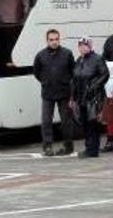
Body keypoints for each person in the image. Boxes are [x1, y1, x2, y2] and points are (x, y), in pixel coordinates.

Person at [33, 29, 75, 157]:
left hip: (64, 92)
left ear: (59, 39)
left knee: (66, 121)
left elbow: (73, 71)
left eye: (56, 39)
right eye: (51, 40)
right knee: (46, 121)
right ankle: (47, 146)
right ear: (47, 41)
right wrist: (45, 81)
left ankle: (68, 146)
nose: (54, 42)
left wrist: (67, 85)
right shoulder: (40, 55)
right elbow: (37, 72)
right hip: (48, 92)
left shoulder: (67, 54)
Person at [71, 36, 109, 158]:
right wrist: (73, 97)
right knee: (84, 123)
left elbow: (105, 74)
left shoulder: (97, 59)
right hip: (81, 97)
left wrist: (94, 86)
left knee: (93, 123)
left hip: (94, 97)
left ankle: (93, 150)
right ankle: (88, 147)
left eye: (85, 45)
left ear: (90, 46)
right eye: (80, 45)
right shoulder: (78, 61)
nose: (82, 48)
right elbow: (75, 79)